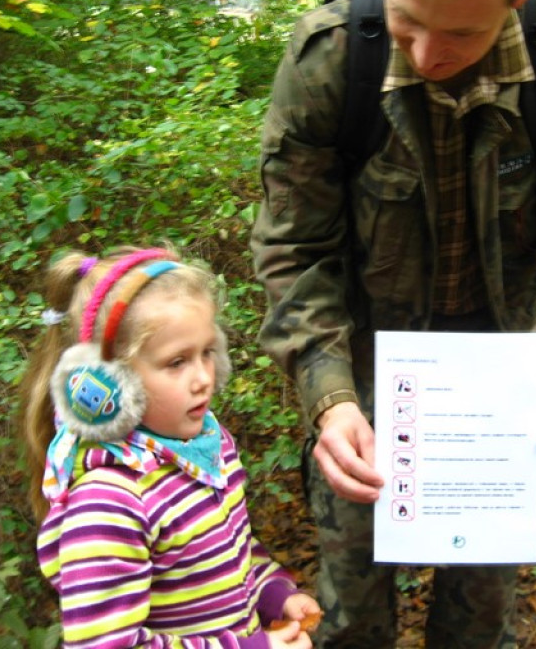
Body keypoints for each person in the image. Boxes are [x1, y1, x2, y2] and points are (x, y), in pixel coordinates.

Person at [250, 0, 536, 646]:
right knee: (351, 612)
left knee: (481, 618)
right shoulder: (330, 61)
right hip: (363, 371)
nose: (427, 55)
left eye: (459, 33)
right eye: (406, 18)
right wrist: (328, 396)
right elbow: (296, 248)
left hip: (500, 387)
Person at [19, 245, 321, 649]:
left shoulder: (205, 447)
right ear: (111, 381)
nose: (203, 379)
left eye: (208, 353)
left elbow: (231, 553)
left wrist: (273, 594)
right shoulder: (110, 503)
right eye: (177, 362)